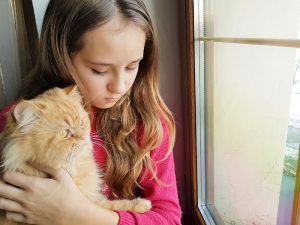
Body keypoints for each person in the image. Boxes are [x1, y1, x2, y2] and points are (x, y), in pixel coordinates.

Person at [0, 0, 182, 224]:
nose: (120, 86)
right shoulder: (17, 122)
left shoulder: (149, 124)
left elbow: (170, 219)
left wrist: (80, 216)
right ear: (62, 56)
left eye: (132, 66)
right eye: (100, 70)